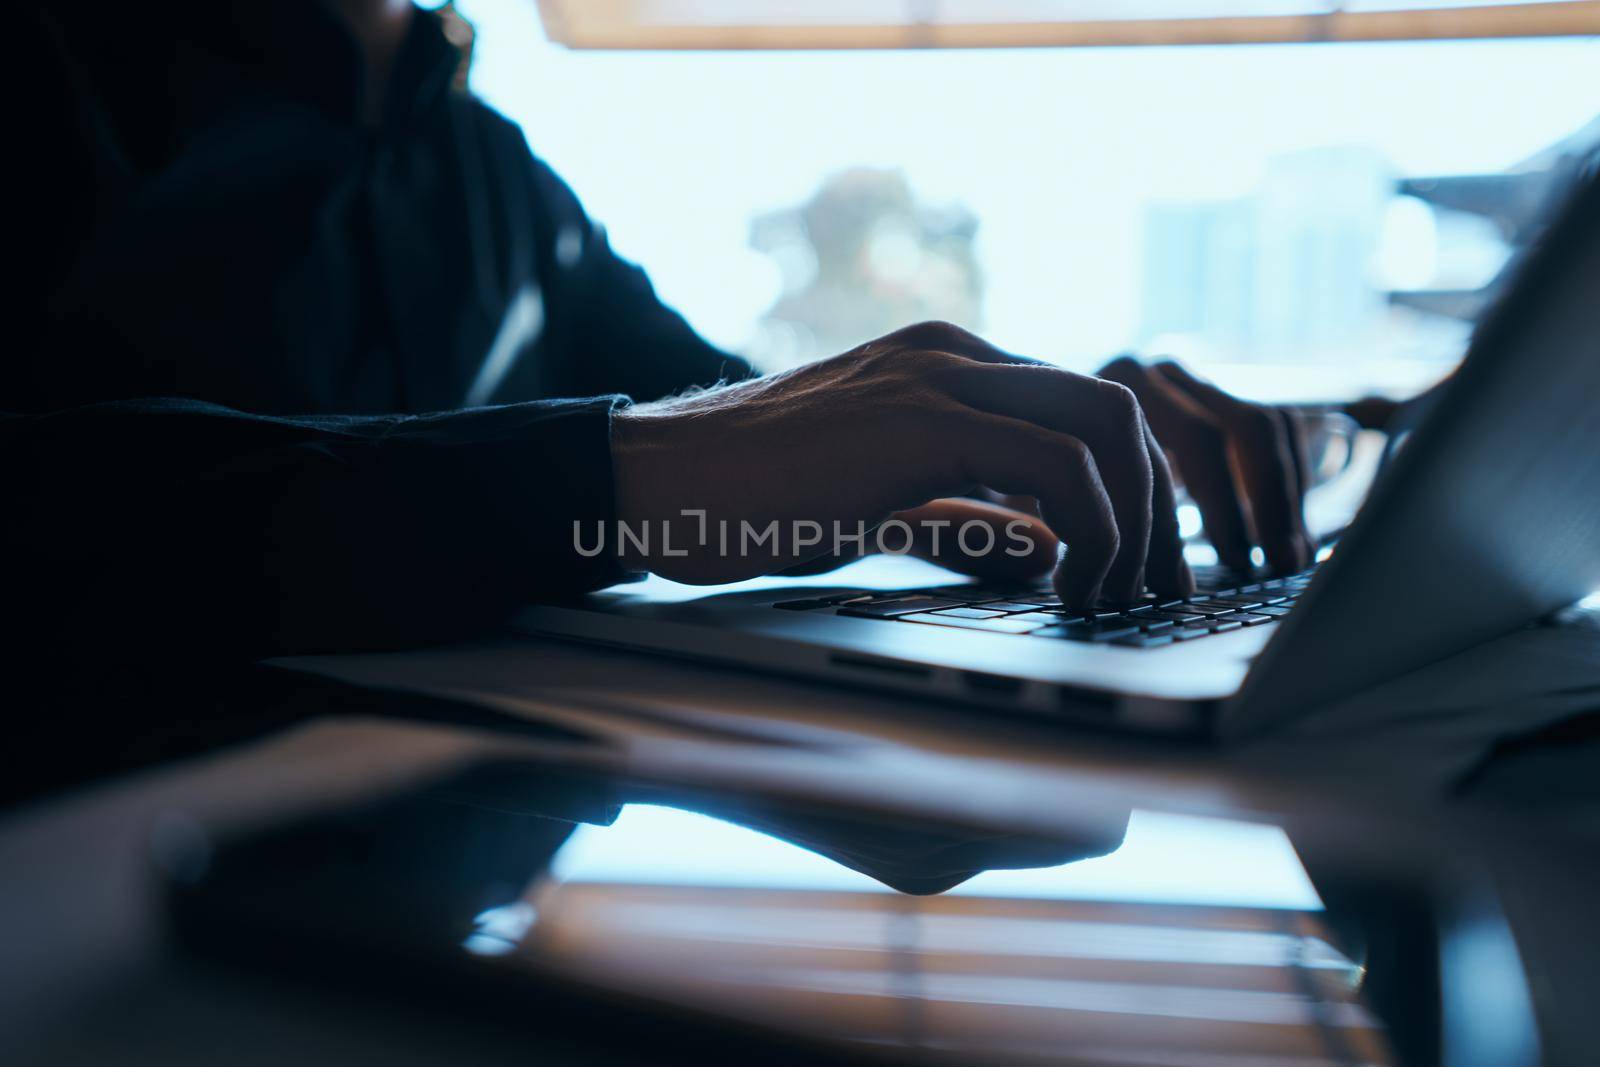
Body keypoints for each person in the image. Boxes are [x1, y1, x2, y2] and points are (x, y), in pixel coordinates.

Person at [2, 1, 1399, 798]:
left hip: (471, 838)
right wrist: (620, 481)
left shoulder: (487, 165)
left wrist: (1016, 422)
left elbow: (742, 417)